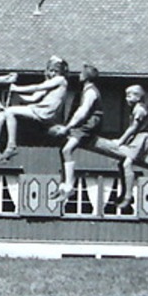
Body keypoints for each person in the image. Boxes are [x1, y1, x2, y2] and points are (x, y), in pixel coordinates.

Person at [0, 56, 69, 161]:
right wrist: (17, 95)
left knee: (10, 111)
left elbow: (37, 87)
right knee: (6, 113)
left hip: (44, 112)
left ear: (61, 72)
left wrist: (17, 88)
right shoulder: (50, 82)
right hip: (39, 110)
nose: (53, 74)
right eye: (51, 71)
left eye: (56, 71)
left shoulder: (61, 80)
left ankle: (11, 145)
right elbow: (33, 98)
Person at [48, 63, 103, 206]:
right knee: (63, 149)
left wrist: (69, 127)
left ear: (85, 76)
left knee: (67, 150)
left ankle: (69, 187)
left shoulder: (90, 92)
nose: (79, 75)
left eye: (81, 73)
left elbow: (83, 112)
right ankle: (62, 184)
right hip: (86, 124)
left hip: (89, 125)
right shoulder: (87, 90)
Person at [111, 85, 148, 208]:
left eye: (129, 96)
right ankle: (124, 192)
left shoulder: (139, 110)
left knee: (127, 164)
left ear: (138, 97)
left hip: (142, 137)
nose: (126, 99)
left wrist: (120, 141)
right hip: (137, 137)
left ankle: (128, 196)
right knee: (121, 164)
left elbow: (133, 128)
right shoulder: (135, 109)